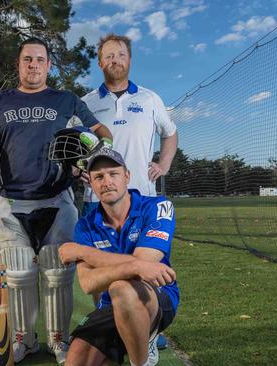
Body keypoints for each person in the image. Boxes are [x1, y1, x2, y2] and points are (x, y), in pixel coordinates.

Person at [0, 37, 113, 364]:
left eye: (40, 60)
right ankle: (23, 339)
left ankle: (58, 340)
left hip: (57, 199)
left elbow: (102, 133)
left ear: (48, 65)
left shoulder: (66, 100)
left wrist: (89, 158)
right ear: (19, 65)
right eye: (27, 60)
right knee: (18, 274)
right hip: (12, 201)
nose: (33, 65)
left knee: (58, 274)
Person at [81, 33, 178, 356]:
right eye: (108, 55)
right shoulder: (86, 103)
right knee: (100, 272)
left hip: (141, 204)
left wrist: (162, 164)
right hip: (98, 201)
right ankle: (112, 325)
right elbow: (71, 145)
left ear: (129, 59)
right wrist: (77, 169)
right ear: (100, 62)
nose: (115, 60)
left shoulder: (150, 99)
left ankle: (149, 327)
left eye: (120, 55)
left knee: (145, 269)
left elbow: (171, 133)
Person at [59, 147, 179, 366]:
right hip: (109, 305)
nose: (107, 182)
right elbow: (88, 283)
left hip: (157, 297)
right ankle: (130, 341)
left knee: (121, 288)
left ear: (127, 176)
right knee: (76, 360)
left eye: (113, 173)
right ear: (92, 184)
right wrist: (136, 267)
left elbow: (145, 263)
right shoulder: (85, 226)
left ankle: (142, 356)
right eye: (99, 177)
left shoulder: (158, 206)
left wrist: (83, 252)